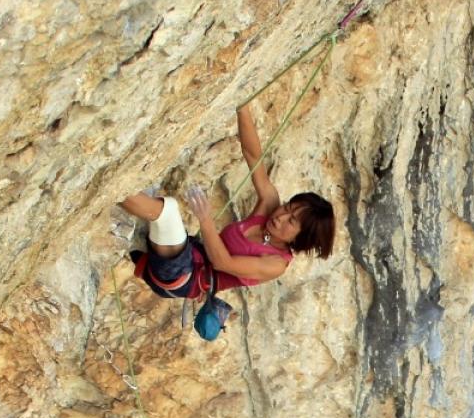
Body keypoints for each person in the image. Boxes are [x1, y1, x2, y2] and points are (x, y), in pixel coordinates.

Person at [118, 104, 336, 335]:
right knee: (153, 195)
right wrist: (243, 109)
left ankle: (111, 187)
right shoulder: (270, 206)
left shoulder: (275, 264)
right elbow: (253, 157)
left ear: (300, 237)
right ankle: (118, 191)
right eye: (287, 208)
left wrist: (205, 219)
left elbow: (223, 263)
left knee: (167, 211)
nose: (280, 216)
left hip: (185, 277)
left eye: (291, 221)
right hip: (190, 255)